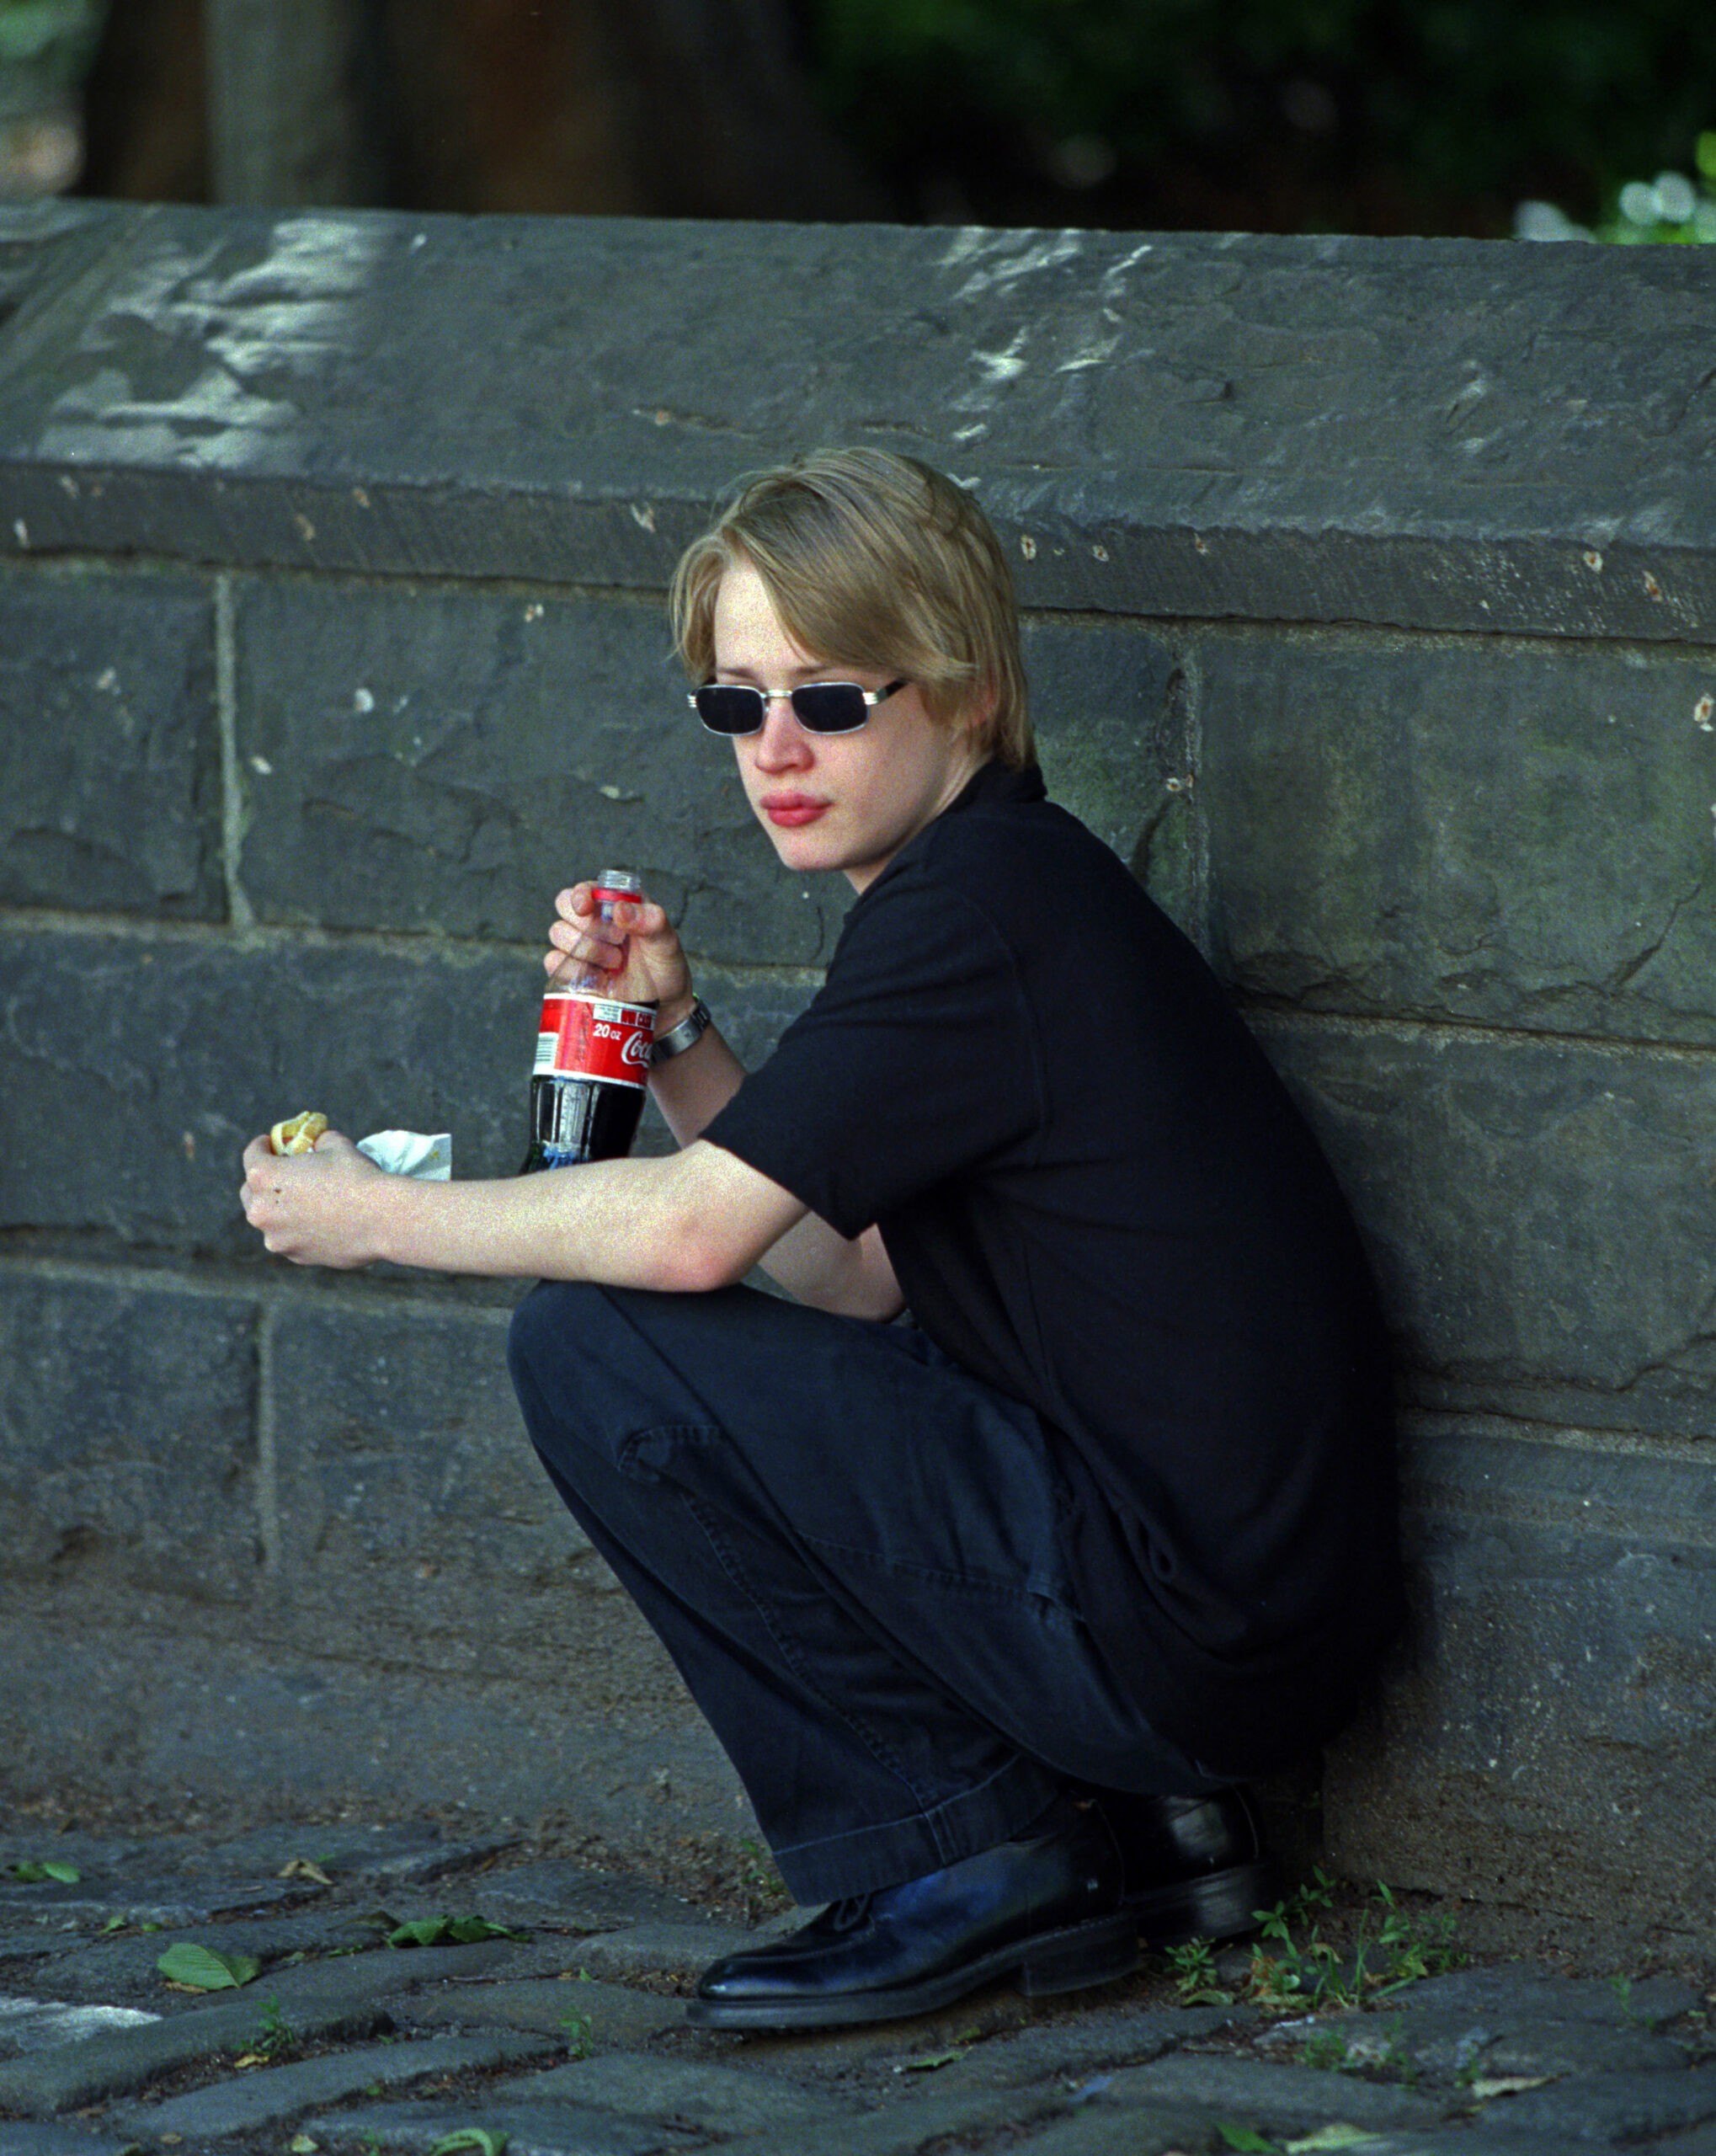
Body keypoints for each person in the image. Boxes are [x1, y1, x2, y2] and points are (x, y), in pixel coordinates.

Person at [240, 447, 1404, 2033]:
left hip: (1192, 1633)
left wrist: (375, 1218)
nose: (776, 751)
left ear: (970, 696)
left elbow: (696, 1245)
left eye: (833, 699)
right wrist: (682, 1040)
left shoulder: (977, 909)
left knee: (595, 1343)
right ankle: (1133, 1825)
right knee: (689, 1327)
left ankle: (974, 1857)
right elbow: (854, 1278)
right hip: (1234, 1627)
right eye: (736, 703)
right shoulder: (999, 888)